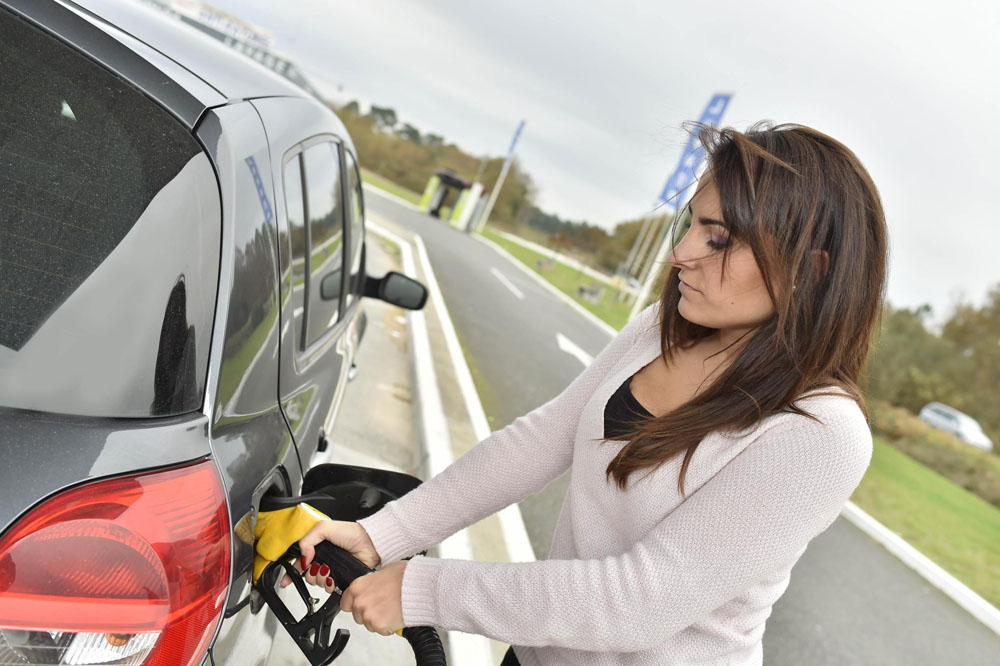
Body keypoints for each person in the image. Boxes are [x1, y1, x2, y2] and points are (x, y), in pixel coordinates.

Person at [294, 121, 888, 666]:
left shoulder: (820, 434)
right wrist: (384, 534)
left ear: (807, 271)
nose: (680, 254)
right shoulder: (664, 326)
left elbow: (639, 600)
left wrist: (425, 589)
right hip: (537, 655)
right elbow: (536, 443)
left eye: (720, 239)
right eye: (692, 226)